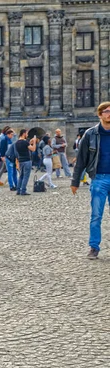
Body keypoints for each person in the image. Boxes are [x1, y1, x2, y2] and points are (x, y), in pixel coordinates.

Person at [71, 101, 110, 260]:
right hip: (99, 178)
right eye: (107, 111)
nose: (109, 114)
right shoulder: (90, 134)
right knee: (96, 216)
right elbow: (81, 159)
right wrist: (75, 181)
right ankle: (94, 247)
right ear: (100, 114)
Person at [15, 129, 37, 196]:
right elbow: (33, 149)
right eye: (27, 133)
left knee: (21, 176)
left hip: (21, 160)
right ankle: (23, 190)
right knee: (26, 176)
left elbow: (25, 146)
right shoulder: (25, 142)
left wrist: (29, 142)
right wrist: (34, 142)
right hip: (27, 160)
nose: (27, 135)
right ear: (24, 133)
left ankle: (18, 190)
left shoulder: (17, 142)